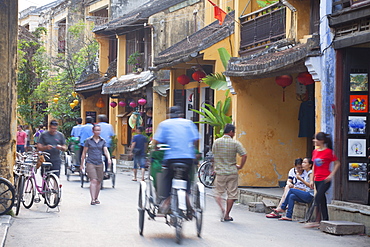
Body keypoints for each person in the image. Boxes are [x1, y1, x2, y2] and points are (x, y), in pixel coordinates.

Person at [152, 106, 199, 212]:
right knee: (186, 178)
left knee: (167, 178)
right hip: (187, 159)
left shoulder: (164, 124)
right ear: (181, 115)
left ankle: (166, 200)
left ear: (169, 115)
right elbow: (195, 140)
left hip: (171, 159)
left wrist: (155, 150)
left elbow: (157, 142)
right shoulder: (189, 123)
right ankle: (187, 198)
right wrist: (191, 150)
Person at [212, 123, 247, 222]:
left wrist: (214, 168)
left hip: (220, 172)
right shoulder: (235, 143)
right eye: (234, 132)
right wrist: (240, 166)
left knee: (218, 193)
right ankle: (227, 214)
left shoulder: (216, 142)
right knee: (232, 194)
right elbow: (244, 155)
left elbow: (214, 156)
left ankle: (222, 208)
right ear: (231, 132)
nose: (234, 134)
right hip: (232, 172)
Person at [307, 132, 340, 227]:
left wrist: (331, 175)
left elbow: (337, 163)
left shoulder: (328, 152)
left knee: (317, 198)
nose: (314, 141)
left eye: (316, 139)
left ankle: (317, 221)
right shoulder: (315, 152)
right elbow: (314, 167)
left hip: (325, 180)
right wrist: (312, 179)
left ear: (321, 141)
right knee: (322, 201)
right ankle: (325, 220)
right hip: (317, 179)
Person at [81, 125, 111, 205]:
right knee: (93, 180)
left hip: (99, 163)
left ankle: (96, 197)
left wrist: (109, 158)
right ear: (93, 131)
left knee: (98, 181)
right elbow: (84, 153)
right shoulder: (88, 141)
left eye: (99, 130)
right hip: (90, 162)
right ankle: (92, 199)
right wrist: (82, 164)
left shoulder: (102, 141)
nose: (98, 132)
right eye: (96, 130)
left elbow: (105, 150)